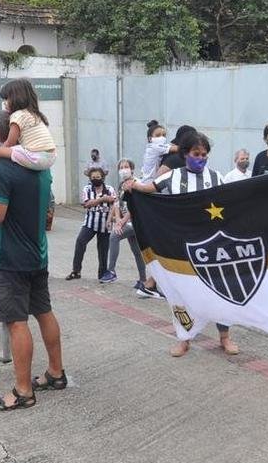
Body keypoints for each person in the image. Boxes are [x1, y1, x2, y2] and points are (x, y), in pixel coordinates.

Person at [0, 110, 65, 411]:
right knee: (44, 311)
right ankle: (55, 372)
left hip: (12, 258)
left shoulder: (3, 170)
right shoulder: (42, 168)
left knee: (16, 322)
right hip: (38, 252)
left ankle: (23, 391)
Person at [125, 131, 240, 356]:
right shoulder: (173, 176)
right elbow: (150, 188)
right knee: (181, 295)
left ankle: (225, 337)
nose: (201, 158)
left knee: (219, 293)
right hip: (182, 248)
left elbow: (232, 200)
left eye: (204, 154)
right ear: (186, 154)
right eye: (196, 154)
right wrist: (133, 185)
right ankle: (184, 338)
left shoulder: (217, 178)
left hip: (211, 248)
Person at [0, 77, 57, 172]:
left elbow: (10, 143)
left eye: (7, 99)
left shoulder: (17, 116)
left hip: (37, 157)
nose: (4, 103)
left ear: (16, 98)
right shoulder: (33, 114)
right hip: (51, 156)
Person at [66, 167, 115, 281]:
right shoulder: (87, 189)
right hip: (90, 224)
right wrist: (102, 199)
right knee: (80, 242)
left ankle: (102, 274)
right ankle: (76, 271)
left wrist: (109, 219)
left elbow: (114, 204)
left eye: (98, 177)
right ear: (90, 178)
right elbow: (87, 204)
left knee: (103, 250)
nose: (95, 179)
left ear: (102, 177)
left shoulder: (109, 189)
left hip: (105, 225)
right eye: (93, 177)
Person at [103, 158, 146, 286]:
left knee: (114, 236)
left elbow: (136, 206)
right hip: (126, 222)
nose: (123, 170)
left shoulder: (137, 183)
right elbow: (116, 204)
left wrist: (122, 222)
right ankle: (143, 280)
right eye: (121, 168)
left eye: (126, 167)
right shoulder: (121, 184)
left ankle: (111, 271)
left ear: (132, 169)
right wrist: (117, 220)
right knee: (137, 252)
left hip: (136, 222)